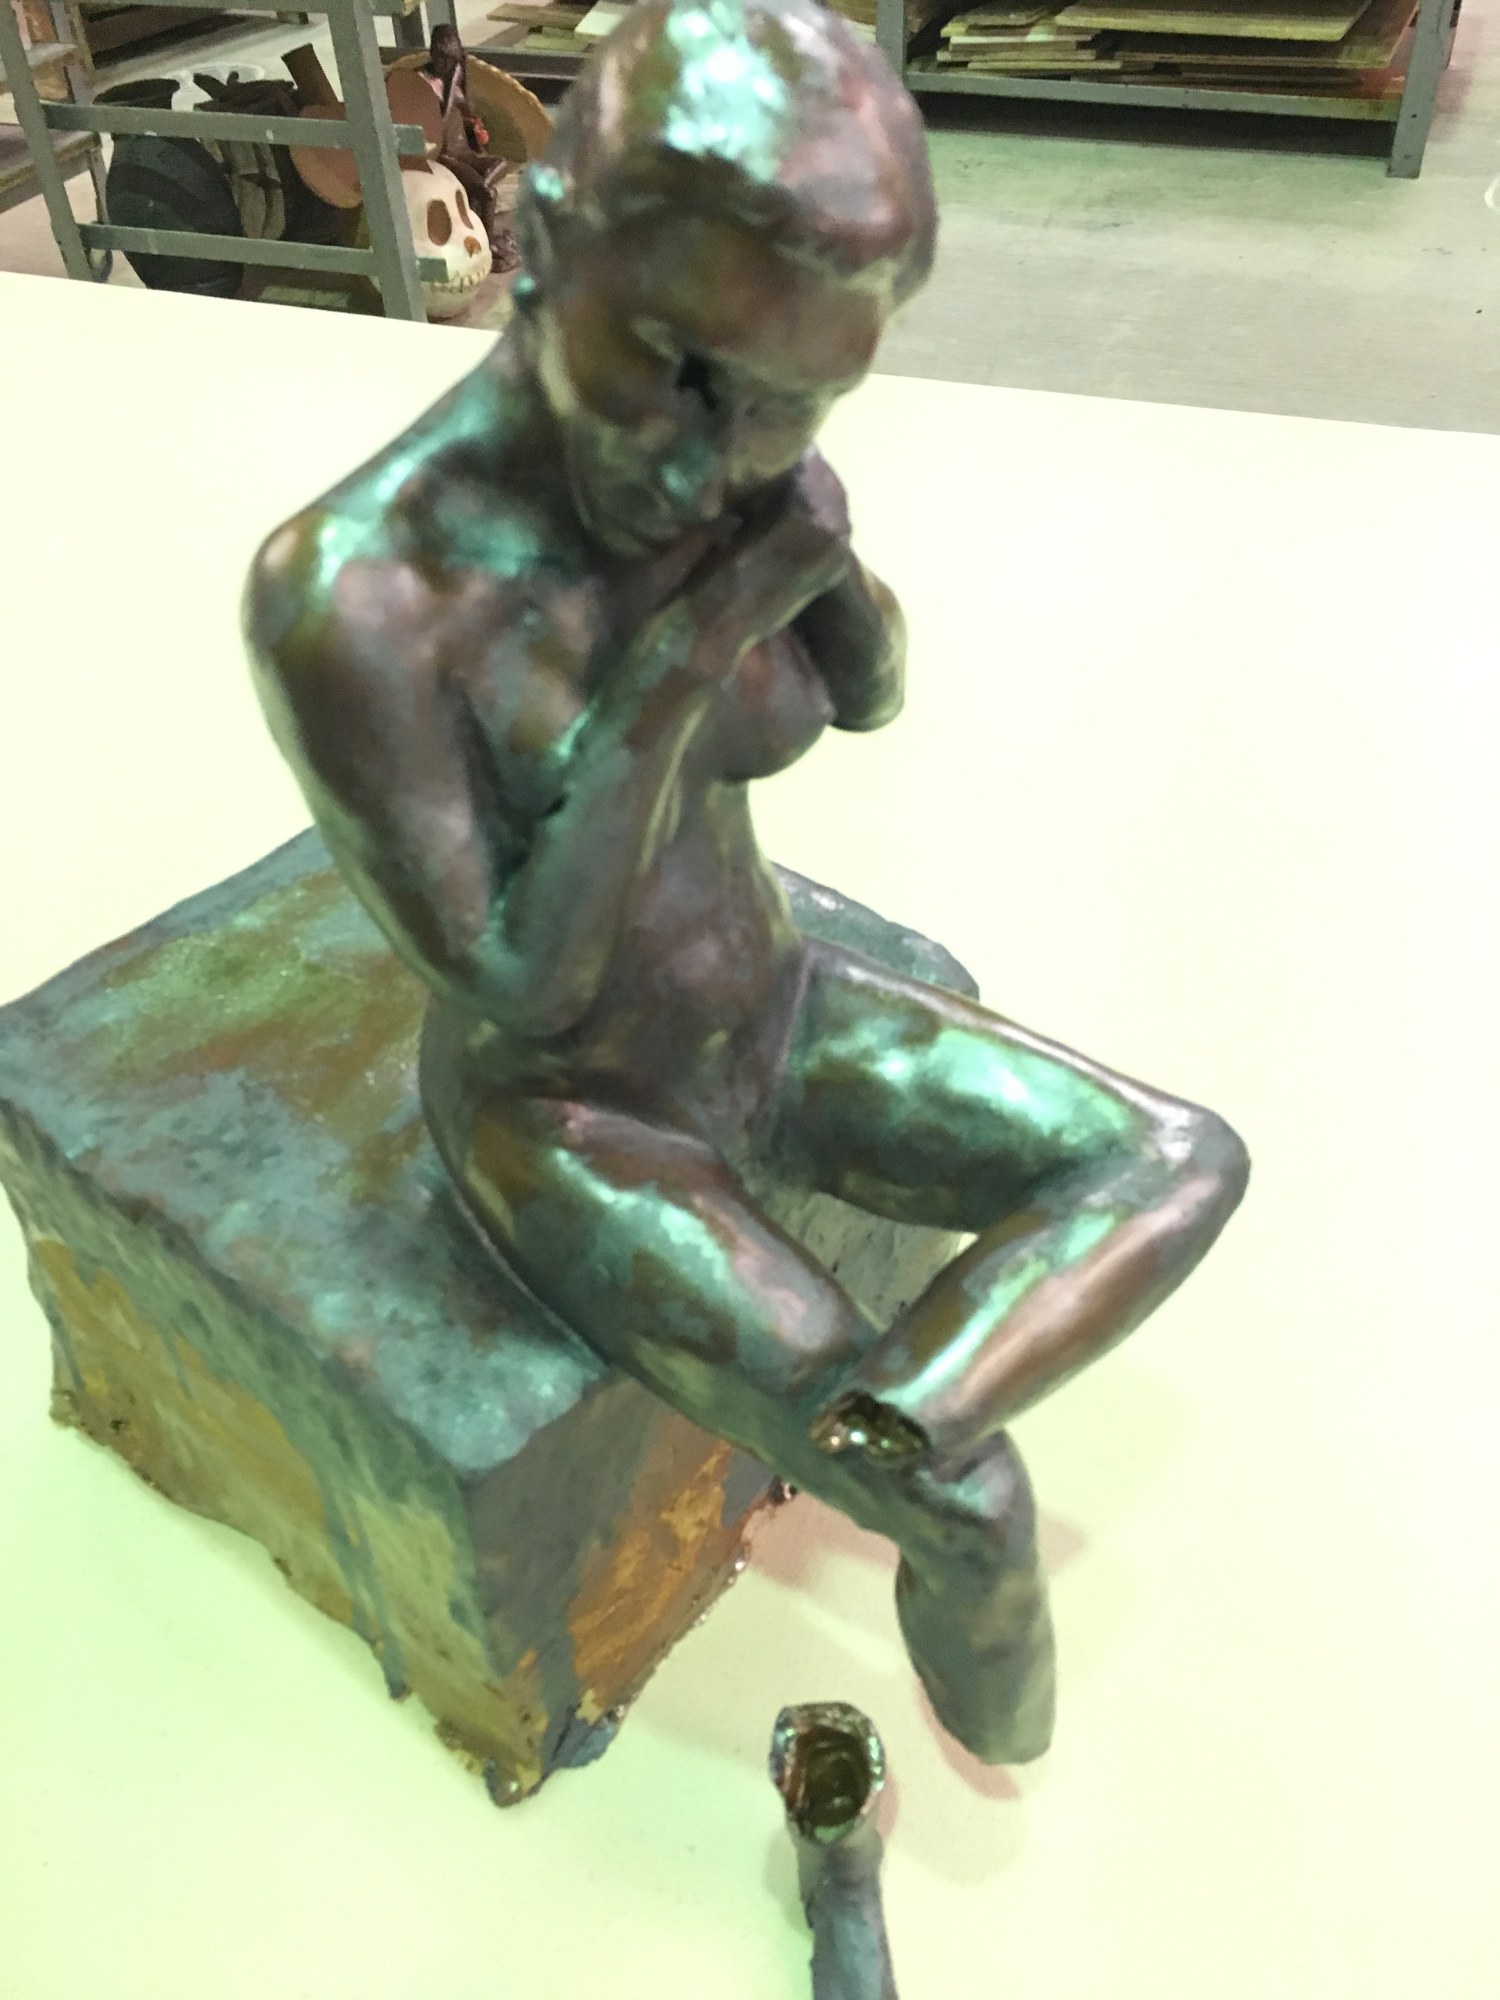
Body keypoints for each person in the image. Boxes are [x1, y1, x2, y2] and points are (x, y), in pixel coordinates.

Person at [246, 0, 1248, 1764]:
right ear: (542, 242)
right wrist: (692, 647)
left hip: (767, 1006)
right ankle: (950, 1611)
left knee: (1181, 1158)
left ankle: (882, 1424)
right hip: (575, 1119)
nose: (714, 461)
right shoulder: (358, 597)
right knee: (986, 1513)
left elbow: (868, 695)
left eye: (796, 401)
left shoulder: (734, 477)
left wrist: (821, 548)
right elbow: (523, 984)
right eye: (683, 374)